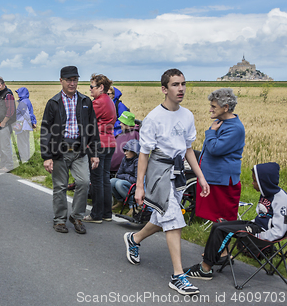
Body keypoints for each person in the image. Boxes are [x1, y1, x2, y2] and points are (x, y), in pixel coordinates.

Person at [123, 68, 210, 296]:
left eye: (183, 84)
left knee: (163, 218)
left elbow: (188, 149)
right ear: (164, 89)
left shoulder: (187, 115)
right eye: (175, 85)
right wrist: (139, 186)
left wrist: (200, 177)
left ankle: (134, 238)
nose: (180, 89)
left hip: (179, 171)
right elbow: (144, 153)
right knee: (173, 217)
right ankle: (178, 276)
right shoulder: (153, 118)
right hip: (159, 172)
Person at [184, 162, 287, 280]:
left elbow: (279, 231)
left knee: (222, 230)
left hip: (261, 233)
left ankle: (205, 269)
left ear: (264, 182)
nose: (253, 183)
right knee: (219, 224)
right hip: (255, 225)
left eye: (255, 181)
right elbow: (262, 216)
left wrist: (258, 235)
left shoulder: (282, 199)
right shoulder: (266, 193)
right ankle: (207, 262)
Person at [40, 66, 100, 234]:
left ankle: (77, 216)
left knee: (82, 182)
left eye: (75, 80)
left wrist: (94, 153)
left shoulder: (85, 101)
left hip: (80, 151)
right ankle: (59, 220)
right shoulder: (53, 103)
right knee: (60, 186)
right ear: (61, 81)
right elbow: (45, 130)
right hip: (59, 150)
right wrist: (47, 156)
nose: (72, 83)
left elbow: (92, 128)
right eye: (68, 80)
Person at [195, 88, 245, 223]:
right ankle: (217, 244)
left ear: (226, 107)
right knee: (217, 219)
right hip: (215, 178)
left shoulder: (234, 128)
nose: (210, 109)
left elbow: (215, 149)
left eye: (213, 106)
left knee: (224, 219)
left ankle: (223, 245)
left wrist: (211, 132)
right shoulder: (222, 123)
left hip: (222, 181)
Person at [83, 74, 117, 223]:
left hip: (99, 144)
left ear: (101, 87)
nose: (90, 90)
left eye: (92, 87)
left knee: (96, 180)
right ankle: (106, 213)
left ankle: (96, 214)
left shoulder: (98, 102)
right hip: (110, 142)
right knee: (105, 179)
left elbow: (85, 119)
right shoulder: (109, 101)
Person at [0, 77, 16, 173]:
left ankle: (9, 165)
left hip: (5, 124)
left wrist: (4, 122)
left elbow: (11, 110)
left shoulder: (8, 95)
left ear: (3, 85)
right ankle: (2, 163)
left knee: (5, 145)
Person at [111, 139, 140, 212]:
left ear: (134, 152)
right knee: (111, 181)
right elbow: (118, 175)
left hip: (134, 186)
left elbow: (137, 180)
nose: (125, 153)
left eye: (127, 151)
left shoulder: (138, 161)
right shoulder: (124, 159)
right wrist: (126, 176)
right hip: (127, 181)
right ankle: (120, 201)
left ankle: (132, 205)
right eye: (125, 150)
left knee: (119, 183)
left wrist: (126, 176)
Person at [14, 87, 37, 163]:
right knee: (25, 142)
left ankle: (24, 159)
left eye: (19, 93)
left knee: (21, 143)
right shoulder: (27, 101)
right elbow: (31, 114)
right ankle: (26, 158)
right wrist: (33, 122)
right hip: (26, 126)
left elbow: (26, 114)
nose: (18, 95)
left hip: (22, 126)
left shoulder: (23, 102)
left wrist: (31, 122)